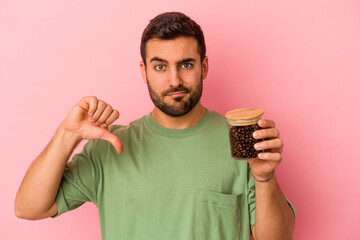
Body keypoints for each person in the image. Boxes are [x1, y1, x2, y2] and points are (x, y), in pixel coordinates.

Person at [15, 12, 296, 239]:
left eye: (186, 65)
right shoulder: (110, 146)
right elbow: (29, 208)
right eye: (160, 66)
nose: (174, 80)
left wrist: (264, 176)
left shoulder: (240, 142)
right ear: (144, 71)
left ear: (204, 66)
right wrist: (68, 135)